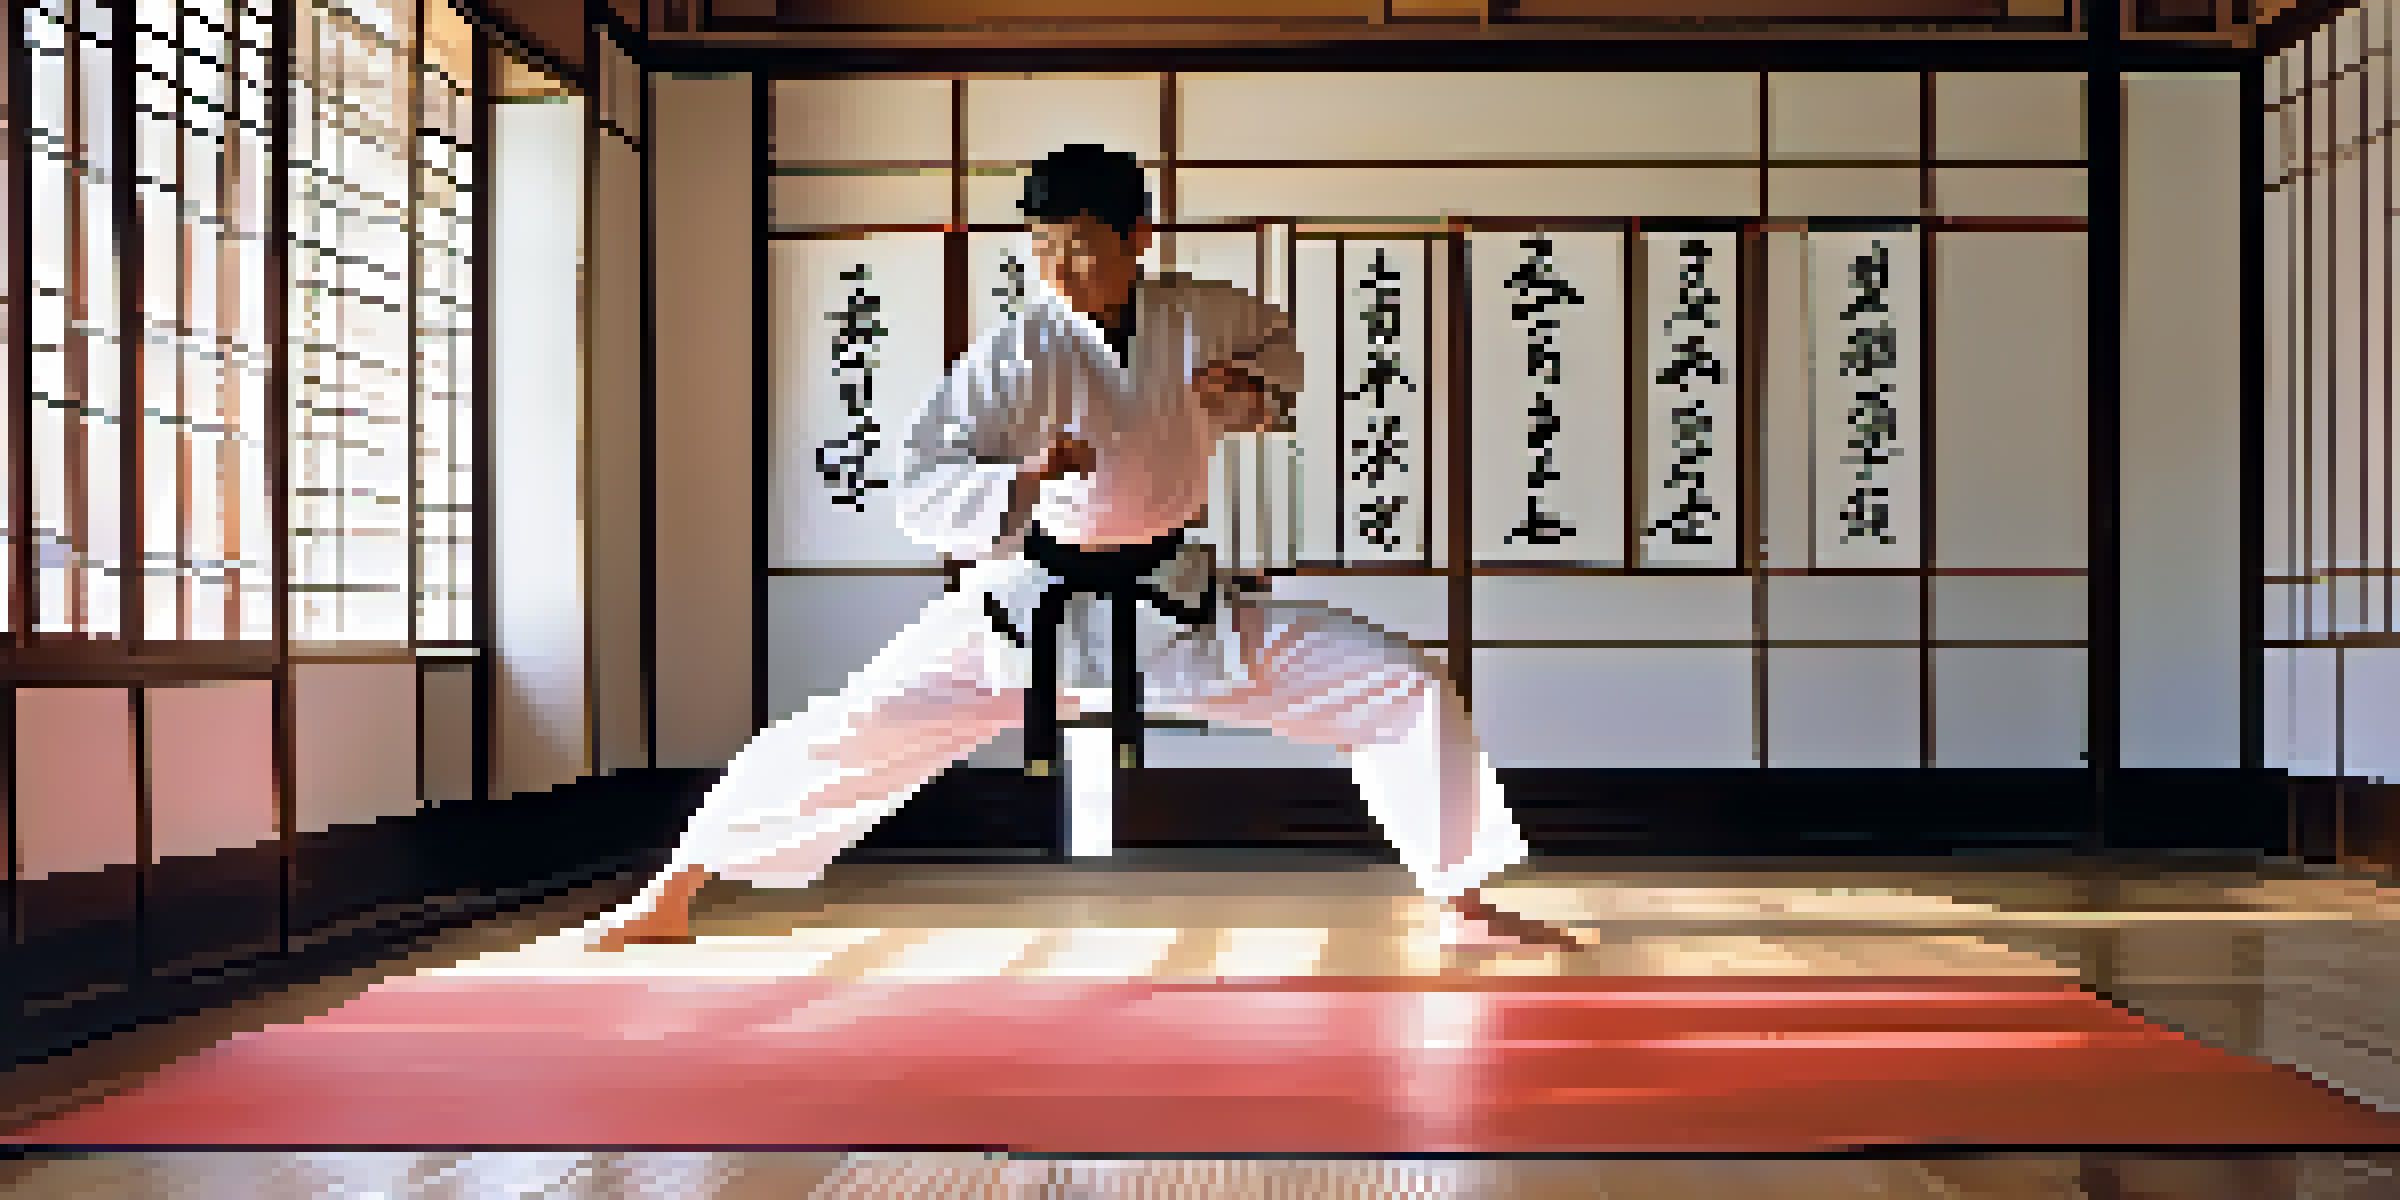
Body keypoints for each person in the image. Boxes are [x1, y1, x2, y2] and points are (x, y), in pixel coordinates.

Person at [586, 145, 1580, 956]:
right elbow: (921, 486)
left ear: (1139, 236)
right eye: (1042, 248)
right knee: (851, 726)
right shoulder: (1016, 350)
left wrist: (1245, 394)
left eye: (1080, 246)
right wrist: (1024, 477)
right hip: (1029, 610)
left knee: (1400, 683)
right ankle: (673, 891)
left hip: (1172, 603)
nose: (1059, 269)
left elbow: (1278, 359)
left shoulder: (1204, 315)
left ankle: (1460, 896)